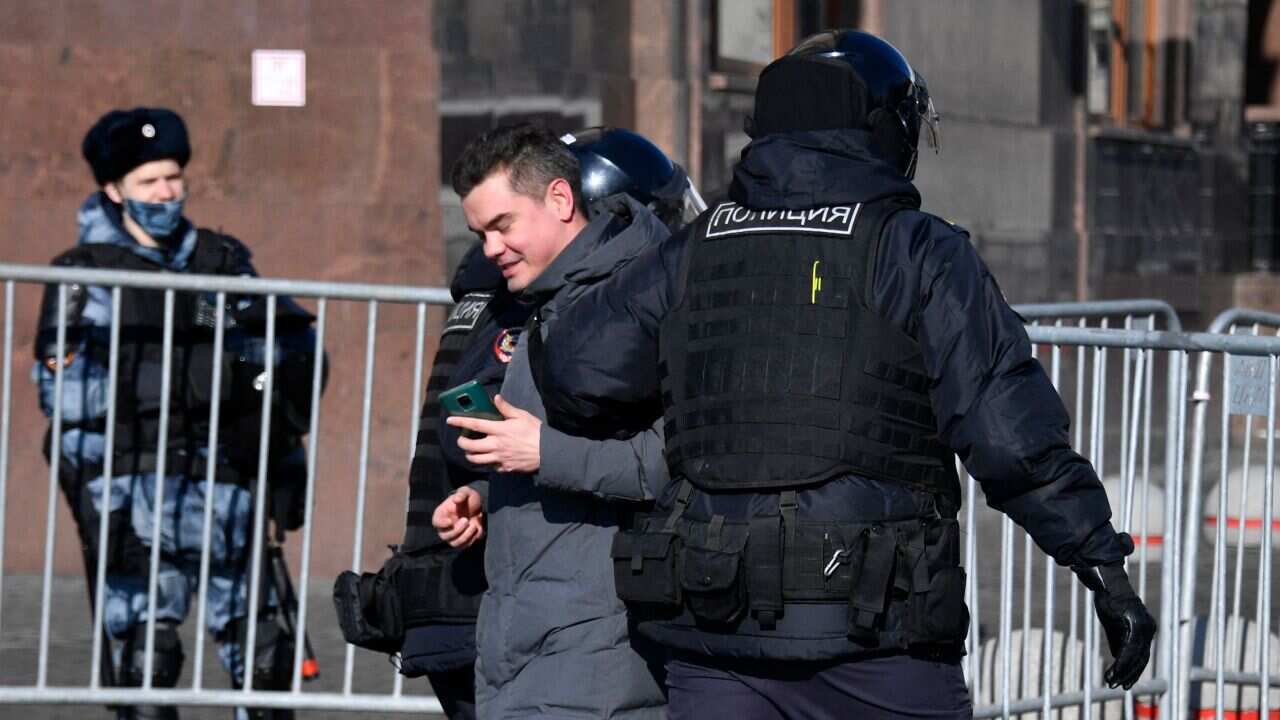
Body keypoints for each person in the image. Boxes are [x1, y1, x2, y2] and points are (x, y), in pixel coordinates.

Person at [524, 30, 1157, 718]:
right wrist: (1101, 566)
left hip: (717, 633)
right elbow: (1007, 435)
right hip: (875, 639)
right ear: (882, 128)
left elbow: (575, 370)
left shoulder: (694, 250)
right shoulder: (918, 252)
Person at [34, 107, 319, 720]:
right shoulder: (83, 273)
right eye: (148, 182)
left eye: (172, 177)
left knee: (267, 665)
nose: (165, 193)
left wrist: (259, 390)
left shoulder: (222, 260)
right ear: (113, 190)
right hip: (134, 497)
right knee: (146, 667)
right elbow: (62, 391)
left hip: (229, 488)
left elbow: (286, 344)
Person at [430, 124, 678, 718]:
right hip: (522, 642)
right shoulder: (544, 305)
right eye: (478, 233)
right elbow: (556, 463)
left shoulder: (644, 297)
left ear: (561, 201)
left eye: (502, 225)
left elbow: (678, 460)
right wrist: (485, 497)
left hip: (601, 653)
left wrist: (542, 453)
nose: (489, 250)